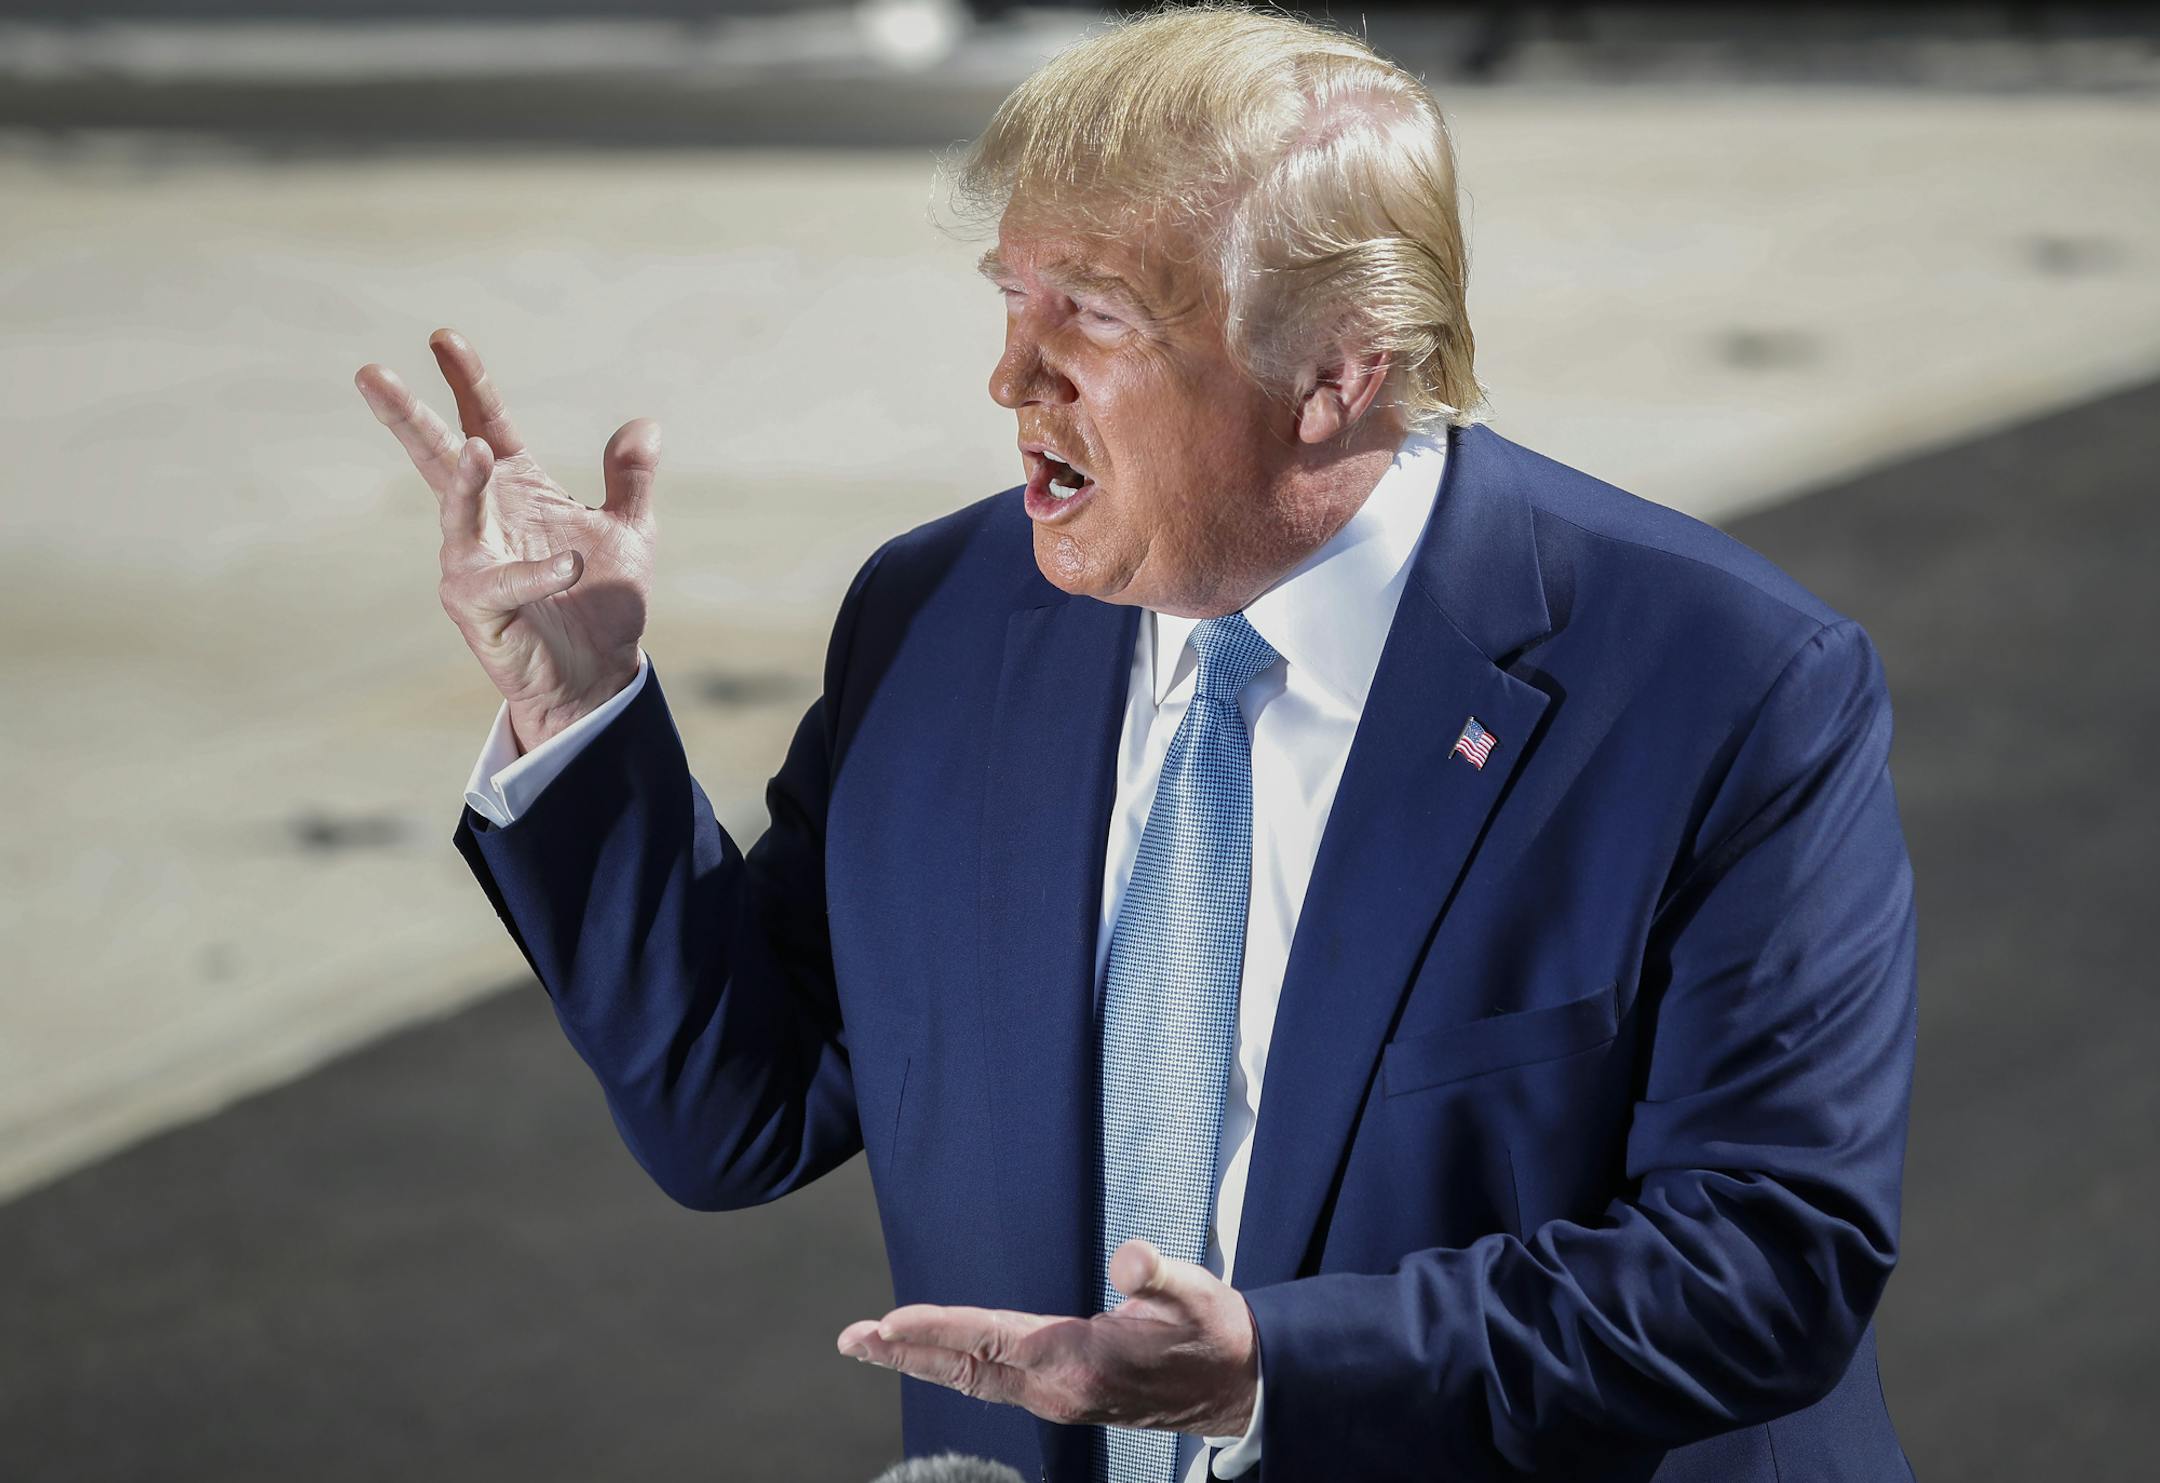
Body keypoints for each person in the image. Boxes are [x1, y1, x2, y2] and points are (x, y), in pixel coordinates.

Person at [353, 6, 1918, 1480]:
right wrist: (579, 710)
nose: (1011, 379)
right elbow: (735, 1108)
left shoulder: (1728, 686)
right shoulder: (940, 616)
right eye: (1011, 303)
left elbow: (1767, 1263)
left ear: (1338, 373)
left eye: (1091, 318)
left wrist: (1272, 1367)